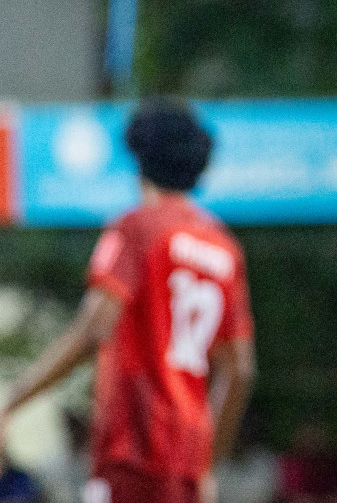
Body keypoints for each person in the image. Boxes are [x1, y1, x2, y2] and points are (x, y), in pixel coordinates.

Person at [0, 99, 256, 503]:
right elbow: (239, 369)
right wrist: (206, 464)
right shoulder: (224, 248)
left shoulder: (136, 228)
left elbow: (94, 328)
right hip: (186, 463)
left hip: (133, 449)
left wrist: (13, 400)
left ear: (139, 161)